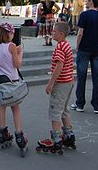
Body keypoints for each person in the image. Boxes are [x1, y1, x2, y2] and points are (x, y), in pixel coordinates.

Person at [37, 22, 76, 153]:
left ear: (61, 34)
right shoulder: (67, 45)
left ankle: (57, 138)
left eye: (54, 32)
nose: (52, 33)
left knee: (55, 111)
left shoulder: (60, 47)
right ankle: (69, 134)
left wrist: (51, 83)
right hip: (68, 82)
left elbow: (59, 65)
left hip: (61, 83)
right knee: (64, 109)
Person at [0, 22, 28, 151]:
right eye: (12, 32)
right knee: (15, 107)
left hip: (1, 80)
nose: (13, 35)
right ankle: (19, 134)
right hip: (12, 80)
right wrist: (20, 52)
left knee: (2, 105)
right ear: (8, 33)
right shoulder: (12, 46)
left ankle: (2, 132)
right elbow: (17, 64)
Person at [70, 0, 98, 114]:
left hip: (84, 49)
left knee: (82, 76)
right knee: (97, 77)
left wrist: (77, 45)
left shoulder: (84, 15)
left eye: (87, 1)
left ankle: (80, 103)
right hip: (96, 50)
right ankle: (96, 106)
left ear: (91, 2)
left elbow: (80, 32)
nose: (85, 2)